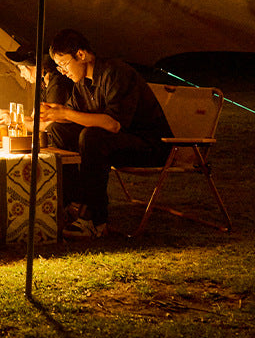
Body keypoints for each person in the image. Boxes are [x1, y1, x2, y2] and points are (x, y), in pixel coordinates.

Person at [43, 28, 172, 240]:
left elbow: (113, 124)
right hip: (115, 144)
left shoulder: (115, 73)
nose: (63, 71)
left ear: (81, 55)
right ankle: (73, 203)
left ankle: (95, 219)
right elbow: (71, 116)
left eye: (65, 64)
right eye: (59, 67)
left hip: (150, 147)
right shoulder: (83, 84)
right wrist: (49, 114)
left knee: (92, 137)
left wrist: (65, 112)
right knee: (59, 130)